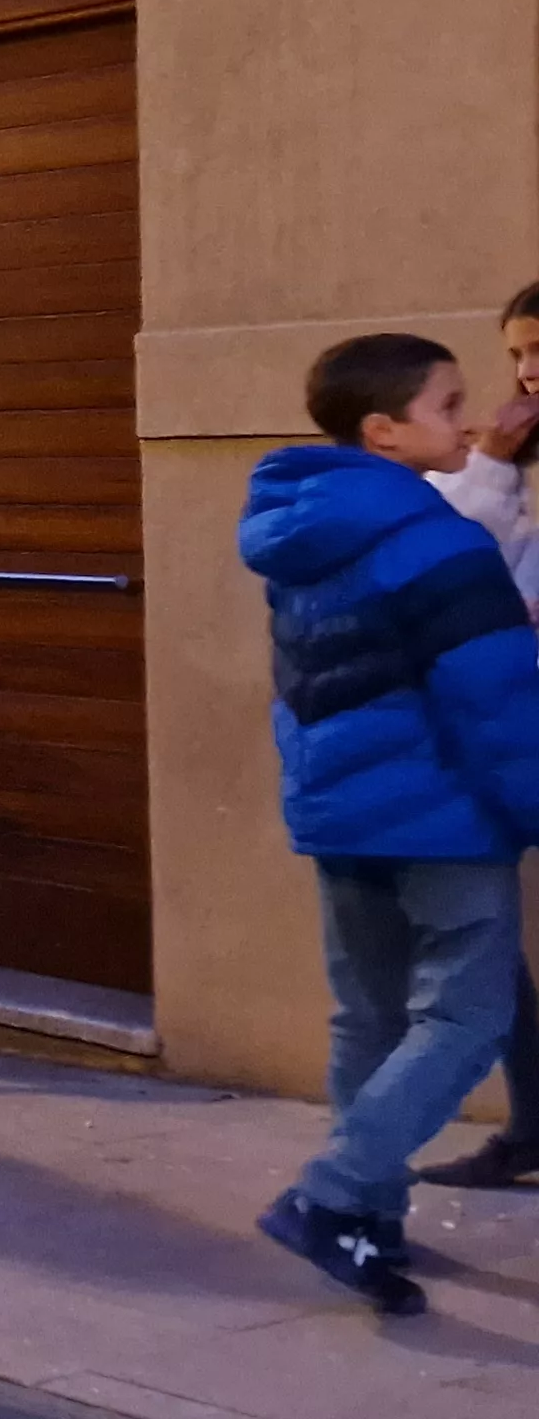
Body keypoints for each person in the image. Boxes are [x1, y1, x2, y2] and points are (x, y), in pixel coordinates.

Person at [242, 333, 539, 1314]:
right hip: (444, 817)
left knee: (367, 1015)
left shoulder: (304, 535)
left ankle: (366, 1220)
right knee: (465, 1016)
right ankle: (332, 1197)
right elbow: (492, 700)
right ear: (384, 429)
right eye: (449, 406)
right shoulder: (439, 541)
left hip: (341, 813)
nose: (470, 421)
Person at [419, 279, 539, 1191]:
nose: (528, 380)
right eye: (517, 359)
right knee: (493, 943)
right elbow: (450, 569)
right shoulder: (498, 468)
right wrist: (490, 464)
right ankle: (533, 1124)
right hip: (507, 737)